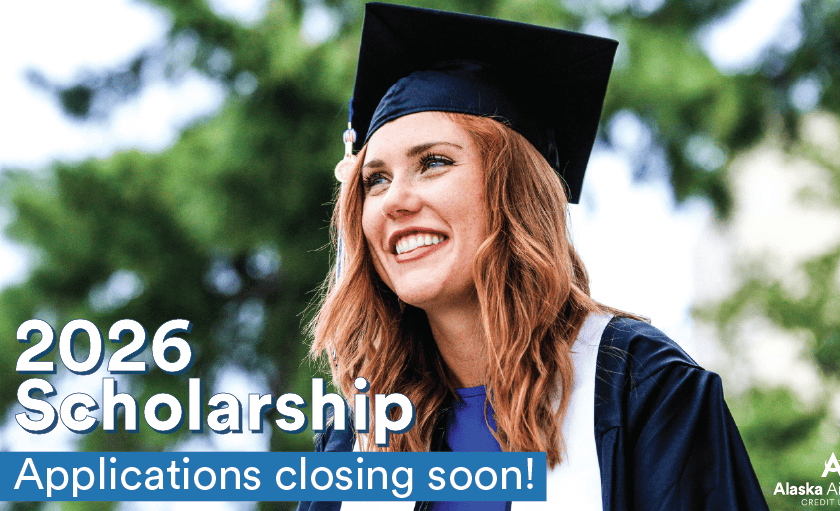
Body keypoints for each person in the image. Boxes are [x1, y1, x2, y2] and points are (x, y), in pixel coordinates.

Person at [300, 3, 769, 510]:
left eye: (434, 162)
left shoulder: (641, 388)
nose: (394, 200)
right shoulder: (358, 435)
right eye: (376, 180)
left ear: (517, 192)